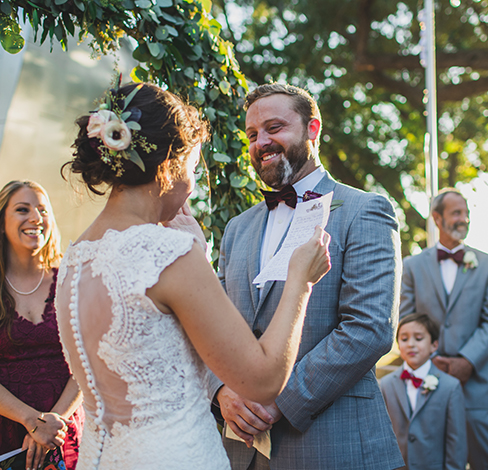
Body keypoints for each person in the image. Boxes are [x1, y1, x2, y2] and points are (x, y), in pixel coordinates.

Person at [58, 81, 331, 469]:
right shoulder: (170, 255)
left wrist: (196, 258)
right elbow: (264, 379)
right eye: (192, 166)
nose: (192, 185)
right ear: (169, 164)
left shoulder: (74, 258)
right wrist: (300, 282)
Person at [211, 83, 404, 470]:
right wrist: (221, 392)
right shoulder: (236, 228)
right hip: (239, 451)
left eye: (274, 127)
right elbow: (211, 324)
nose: (261, 142)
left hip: (334, 444)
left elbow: (369, 328)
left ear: (312, 129)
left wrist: (278, 400)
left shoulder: (365, 210)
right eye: (251, 134)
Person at [399, 188, 488, 470]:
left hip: (475, 382)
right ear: (437, 217)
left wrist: (466, 361)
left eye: (466, 214)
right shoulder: (412, 266)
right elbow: (407, 320)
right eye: (456, 213)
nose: (464, 219)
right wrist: (431, 361)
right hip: (427, 380)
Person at [0, 180, 84, 470]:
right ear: (2, 223)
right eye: (23, 209)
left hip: (64, 434)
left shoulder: (70, 282)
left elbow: (85, 362)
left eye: (43, 210)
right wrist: (30, 421)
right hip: (7, 437)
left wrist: (53, 424)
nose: (36, 218)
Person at [380, 313, 467, 470]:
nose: (411, 344)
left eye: (418, 338)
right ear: (398, 345)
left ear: (434, 345)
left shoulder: (450, 387)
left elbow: (456, 442)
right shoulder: (385, 385)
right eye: (404, 339)